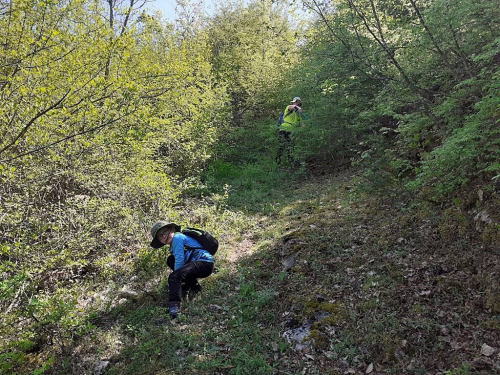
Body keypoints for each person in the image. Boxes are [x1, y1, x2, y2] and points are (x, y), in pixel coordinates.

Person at [150, 220, 215, 318]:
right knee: (170, 260)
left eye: (165, 232)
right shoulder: (173, 245)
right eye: (160, 236)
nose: (164, 236)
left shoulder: (177, 237)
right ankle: (194, 287)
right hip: (200, 263)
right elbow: (178, 260)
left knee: (174, 276)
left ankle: (174, 306)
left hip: (204, 262)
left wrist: (176, 278)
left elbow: (180, 260)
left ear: (172, 229)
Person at [276, 96, 304, 165]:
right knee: (282, 146)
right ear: (294, 102)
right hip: (283, 129)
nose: (297, 104)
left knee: (291, 147)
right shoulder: (289, 108)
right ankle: (278, 162)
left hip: (291, 132)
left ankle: (290, 162)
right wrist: (297, 108)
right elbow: (291, 107)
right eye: (296, 102)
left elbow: (302, 125)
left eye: (298, 103)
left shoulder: (298, 115)